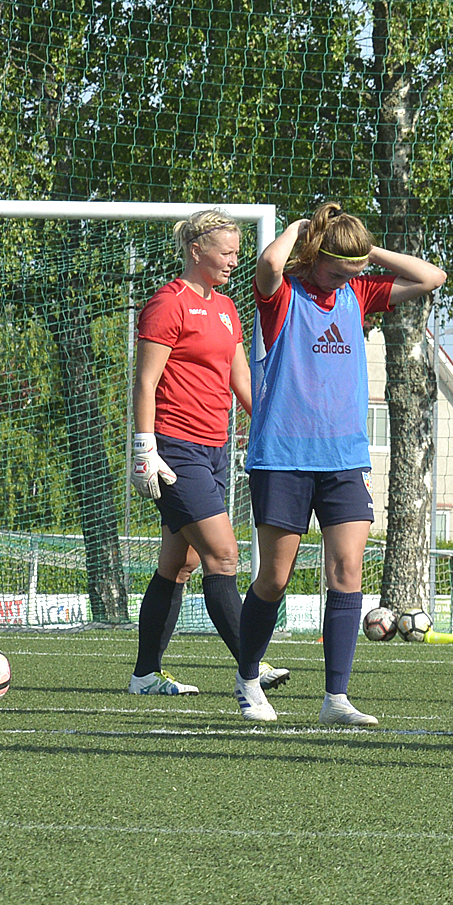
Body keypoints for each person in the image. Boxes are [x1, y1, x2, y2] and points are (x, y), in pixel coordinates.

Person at [234, 202, 445, 725]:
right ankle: (247, 677)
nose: (344, 279)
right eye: (336, 269)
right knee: (274, 580)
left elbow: (431, 277)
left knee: (347, 570)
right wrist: (297, 230)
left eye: (354, 270)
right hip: (282, 457)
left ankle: (336, 699)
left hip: (344, 459)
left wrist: (367, 253)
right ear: (314, 257)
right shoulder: (285, 294)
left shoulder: (359, 290)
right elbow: (267, 268)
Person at [126, 209, 254, 698]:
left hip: (216, 448)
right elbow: (145, 381)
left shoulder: (225, 307)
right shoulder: (167, 303)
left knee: (179, 566)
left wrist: (272, 426)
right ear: (197, 250)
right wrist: (143, 447)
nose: (234, 262)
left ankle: (145, 675)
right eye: (226, 252)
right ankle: (252, 665)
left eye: (238, 253)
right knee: (223, 555)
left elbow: (240, 379)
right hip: (175, 448)